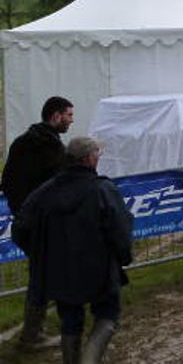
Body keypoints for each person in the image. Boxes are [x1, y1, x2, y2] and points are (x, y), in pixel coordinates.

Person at [13, 137, 133, 364]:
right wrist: (123, 257)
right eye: (97, 154)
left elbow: (20, 228)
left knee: (70, 321)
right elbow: (120, 230)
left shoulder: (46, 191)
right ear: (88, 159)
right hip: (99, 269)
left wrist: (41, 255)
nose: (98, 158)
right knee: (108, 314)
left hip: (60, 271)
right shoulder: (102, 189)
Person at [0, 96, 74, 350]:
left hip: (26, 221)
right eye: (68, 115)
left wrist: (21, 211)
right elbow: (61, 186)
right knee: (43, 276)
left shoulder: (22, 142)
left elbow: (7, 182)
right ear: (55, 116)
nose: (71, 120)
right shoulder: (50, 147)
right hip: (43, 224)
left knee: (47, 273)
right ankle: (33, 335)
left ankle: (40, 327)